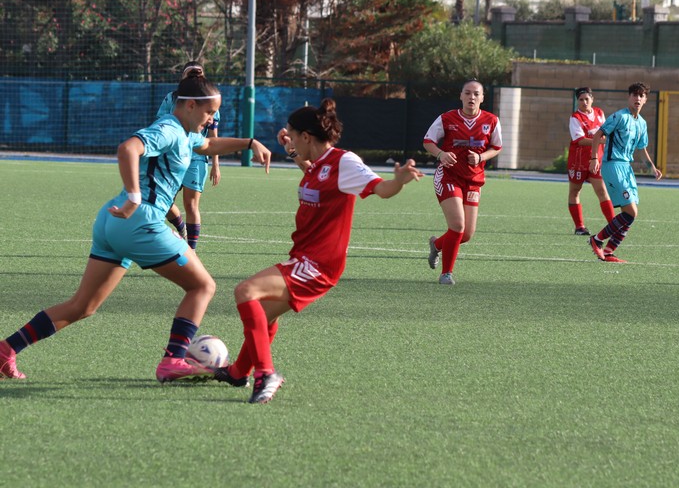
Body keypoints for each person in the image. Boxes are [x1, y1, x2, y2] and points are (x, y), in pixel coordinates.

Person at [0, 75, 272, 382]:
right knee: (203, 286)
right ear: (191, 105)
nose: (211, 121)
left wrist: (250, 143)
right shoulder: (169, 129)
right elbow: (128, 148)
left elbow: (208, 144)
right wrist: (134, 195)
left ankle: (6, 350)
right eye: (210, 113)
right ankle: (173, 360)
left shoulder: (186, 133)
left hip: (112, 223)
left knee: (84, 305)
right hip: (140, 221)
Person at [212, 98, 423, 404]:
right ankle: (238, 372)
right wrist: (293, 147)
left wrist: (399, 181)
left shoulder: (344, 163)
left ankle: (265, 374)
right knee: (264, 315)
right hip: (303, 257)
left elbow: (381, 189)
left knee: (246, 292)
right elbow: (313, 171)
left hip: (318, 264)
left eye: (294, 136)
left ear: (307, 137)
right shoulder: (318, 165)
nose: (291, 141)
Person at [423, 79, 502, 285]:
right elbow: (428, 141)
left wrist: (481, 158)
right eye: (467, 93)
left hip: (474, 180)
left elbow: (497, 147)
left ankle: (437, 245)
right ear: (461, 96)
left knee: (466, 234)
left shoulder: (491, 120)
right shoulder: (447, 118)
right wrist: (441, 154)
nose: (472, 97)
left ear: (483, 98)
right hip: (449, 176)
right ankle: (446, 274)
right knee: (457, 226)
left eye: (476, 94)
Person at [588, 82, 662, 263]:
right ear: (629, 97)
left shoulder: (642, 123)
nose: (637, 98)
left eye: (641, 95)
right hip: (612, 165)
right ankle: (596, 240)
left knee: (631, 213)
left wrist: (652, 167)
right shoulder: (619, 116)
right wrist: (594, 159)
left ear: (645, 99)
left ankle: (609, 251)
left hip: (627, 168)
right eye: (634, 95)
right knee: (630, 212)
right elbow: (598, 135)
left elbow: (642, 148)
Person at [159, 61, 221, 249]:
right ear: (183, 77)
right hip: (173, 156)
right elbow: (161, 124)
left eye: (198, 75)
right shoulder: (172, 98)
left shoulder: (209, 100)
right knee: (164, 201)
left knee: (191, 204)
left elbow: (213, 136)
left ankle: (191, 250)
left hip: (196, 159)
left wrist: (216, 164)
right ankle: (180, 226)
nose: (195, 78)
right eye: (191, 74)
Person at [567, 87, 615, 235]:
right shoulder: (575, 117)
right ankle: (579, 227)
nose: (584, 102)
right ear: (577, 101)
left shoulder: (599, 113)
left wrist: (607, 140)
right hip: (578, 162)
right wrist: (601, 141)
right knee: (575, 191)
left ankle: (614, 225)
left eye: (587, 99)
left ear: (592, 99)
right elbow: (580, 140)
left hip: (596, 160)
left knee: (602, 191)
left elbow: (606, 133)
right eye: (581, 99)